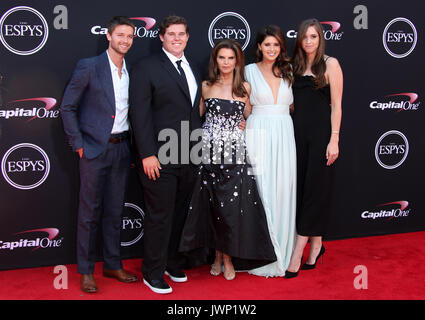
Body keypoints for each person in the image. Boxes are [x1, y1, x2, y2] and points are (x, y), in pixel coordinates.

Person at [179, 39, 277, 281]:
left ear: (237, 62)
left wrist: (244, 123)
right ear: (216, 60)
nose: (226, 62)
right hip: (209, 155)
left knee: (231, 210)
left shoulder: (245, 88)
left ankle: (228, 258)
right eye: (221, 58)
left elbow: (249, 117)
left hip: (235, 156)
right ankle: (217, 257)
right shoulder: (205, 86)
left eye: (230, 58)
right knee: (213, 209)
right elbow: (196, 118)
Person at [60, 16, 138, 293]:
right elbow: (67, 107)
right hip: (94, 149)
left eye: (129, 36)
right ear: (108, 36)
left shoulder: (131, 71)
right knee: (89, 213)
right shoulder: (89, 66)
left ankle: (113, 264)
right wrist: (79, 144)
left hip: (122, 148)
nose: (125, 40)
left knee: (115, 212)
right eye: (120, 35)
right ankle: (85, 270)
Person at [129, 15, 202, 294]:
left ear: (187, 37)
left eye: (181, 34)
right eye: (171, 34)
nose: (176, 38)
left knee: (180, 214)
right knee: (160, 215)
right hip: (158, 157)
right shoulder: (146, 68)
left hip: (189, 153)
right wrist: (147, 153)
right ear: (161, 37)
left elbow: (193, 110)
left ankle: (171, 262)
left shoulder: (192, 66)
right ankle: (152, 272)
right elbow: (140, 114)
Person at [285, 19, 343, 278]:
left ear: (320, 39)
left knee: (314, 192)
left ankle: (299, 251)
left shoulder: (330, 64)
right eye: (304, 37)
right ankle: (317, 245)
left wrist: (334, 139)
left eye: (313, 37)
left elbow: (337, 105)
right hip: (296, 137)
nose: (308, 41)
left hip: (322, 138)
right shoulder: (294, 67)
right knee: (305, 191)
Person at [244, 25, 297, 277]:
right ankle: (262, 253)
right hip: (258, 134)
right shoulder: (248, 71)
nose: (272, 49)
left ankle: (282, 251)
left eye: (276, 45)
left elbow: (295, 105)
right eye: (267, 44)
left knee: (283, 190)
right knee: (262, 190)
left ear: (281, 47)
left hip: (285, 134)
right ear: (259, 47)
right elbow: (243, 108)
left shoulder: (289, 71)